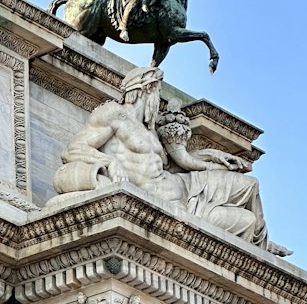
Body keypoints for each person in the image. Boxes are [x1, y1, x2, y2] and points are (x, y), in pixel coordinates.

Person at [54, 66, 285, 253]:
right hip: (177, 205)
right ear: (147, 89)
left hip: (185, 188)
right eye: (156, 92)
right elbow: (74, 149)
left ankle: (261, 242)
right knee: (246, 220)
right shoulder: (113, 114)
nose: (158, 100)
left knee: (251, 185)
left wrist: (216, 160)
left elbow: (182, 162)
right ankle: (260, 240)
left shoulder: (150, 130)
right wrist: (109, 163)